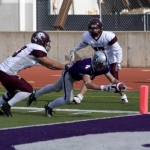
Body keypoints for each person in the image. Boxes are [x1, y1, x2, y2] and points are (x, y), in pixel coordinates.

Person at [27, 51, 128, 117]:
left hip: (75, 75)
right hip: (69, 76)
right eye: (101, 65)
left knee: (55, 87)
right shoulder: (86, 67)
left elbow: (112, 79)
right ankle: (49, 106)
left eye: (104, 65)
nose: (103, 67)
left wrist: (120, 84)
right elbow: (88, 84)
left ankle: (35, 95)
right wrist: (105, 88)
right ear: (96, 62)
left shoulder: (102, 66)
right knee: (68, 99)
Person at [0, 31, 65, 117]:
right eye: (46, 42)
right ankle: (7, 106)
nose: (47, 44)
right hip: (7, 72)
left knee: (12, 92)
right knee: (28, 90)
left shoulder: (31, 47)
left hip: (3, 71)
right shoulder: (37, 48)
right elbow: (52, 64)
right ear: (41, 41)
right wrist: (67, 66)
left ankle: (4, 105)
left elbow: (50, 66)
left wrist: (64, 67)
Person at [68, 18, 123, 103]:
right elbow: (82, 44)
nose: (94, 30)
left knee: (114, 80)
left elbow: (118, 50)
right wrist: (74, 50)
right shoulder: (87, 36)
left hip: (111, 60)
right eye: (92, 28)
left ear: (100, 28)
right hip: (99, 60)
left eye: (96, 28)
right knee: (89, 77)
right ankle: (80, 96)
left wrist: (118, 62)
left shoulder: (108, 36)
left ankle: (123, 96)